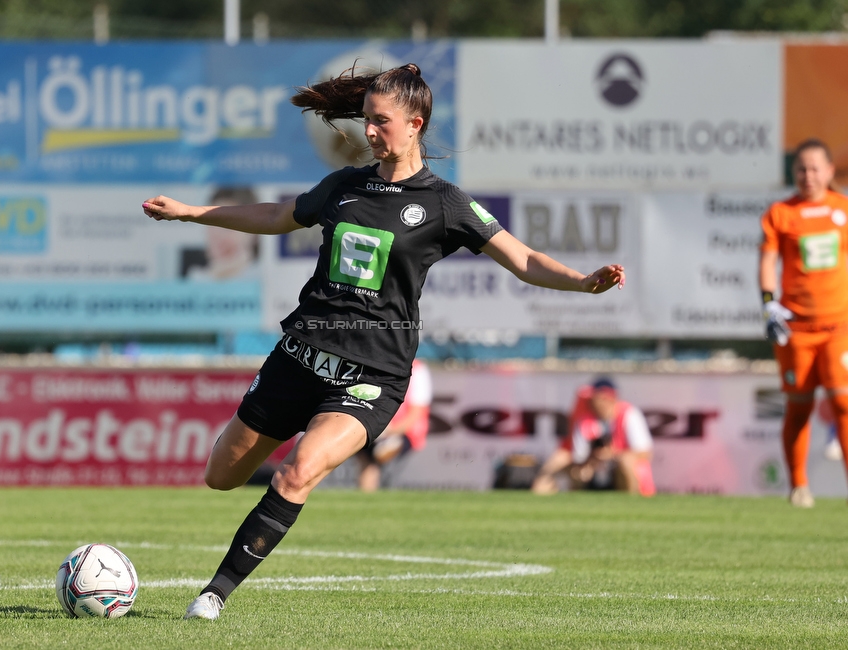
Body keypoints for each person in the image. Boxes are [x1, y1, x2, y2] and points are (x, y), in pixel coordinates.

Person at [141, 63, 626, 620]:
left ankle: (213, 595)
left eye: (381, 121)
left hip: (371, 376)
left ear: (414, 124)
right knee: (220, 476)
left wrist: (581, 280)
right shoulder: (345, 186)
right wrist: (192, 212)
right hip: (298, 357)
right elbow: (278, 215)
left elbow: (522, 259)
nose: (369, 131)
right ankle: (233, 554)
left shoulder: (445, 203)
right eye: (366, 120)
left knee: (301, 470)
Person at [759, 138, 848, 508]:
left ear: (829, 171)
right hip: (797, 328)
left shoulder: (843, 209)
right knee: (799, 406)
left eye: (814, 168)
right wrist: (768, 303)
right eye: (801, 169)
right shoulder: (780, 212)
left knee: (844, 404)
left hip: (840, 326)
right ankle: (798, 486)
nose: (808, 175)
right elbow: (767, 261)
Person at [531, 377, 654, 496]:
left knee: (626, 460)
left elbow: (645, 452)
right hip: (594, 468)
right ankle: (552, 491)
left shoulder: (629, 414)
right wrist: (592, 461)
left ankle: (632, 501)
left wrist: (613, 454)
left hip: (617, 468)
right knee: (562, 460)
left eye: (600, 398)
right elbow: (579, 455)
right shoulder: (585, 420)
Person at [356, 358, 432, 492]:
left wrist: (389, 431)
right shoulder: (378, 363)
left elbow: (415, 415)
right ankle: (367, 496)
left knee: (376, 455)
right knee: (367, 457)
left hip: (405, 432)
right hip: (378, 428)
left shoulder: (418, 371)